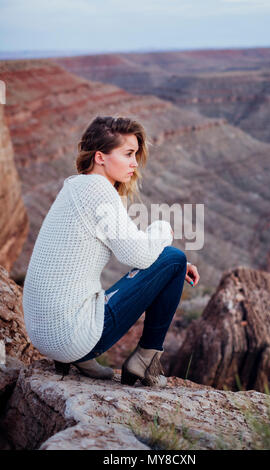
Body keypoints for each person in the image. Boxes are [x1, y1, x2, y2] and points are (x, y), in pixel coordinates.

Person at [22, 116, 200, 388]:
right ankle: (144, 361)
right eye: (128, 154)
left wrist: (165, 264)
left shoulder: (75, 186)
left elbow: (135, 246)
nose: (134, 163)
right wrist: (163, 231)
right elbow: (138, 257)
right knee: (174, 257)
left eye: (136, 155)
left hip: (44, 337)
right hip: (70, 337)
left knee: (169, 262)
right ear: (100, 157)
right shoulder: (99, 191)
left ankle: (81, 359)